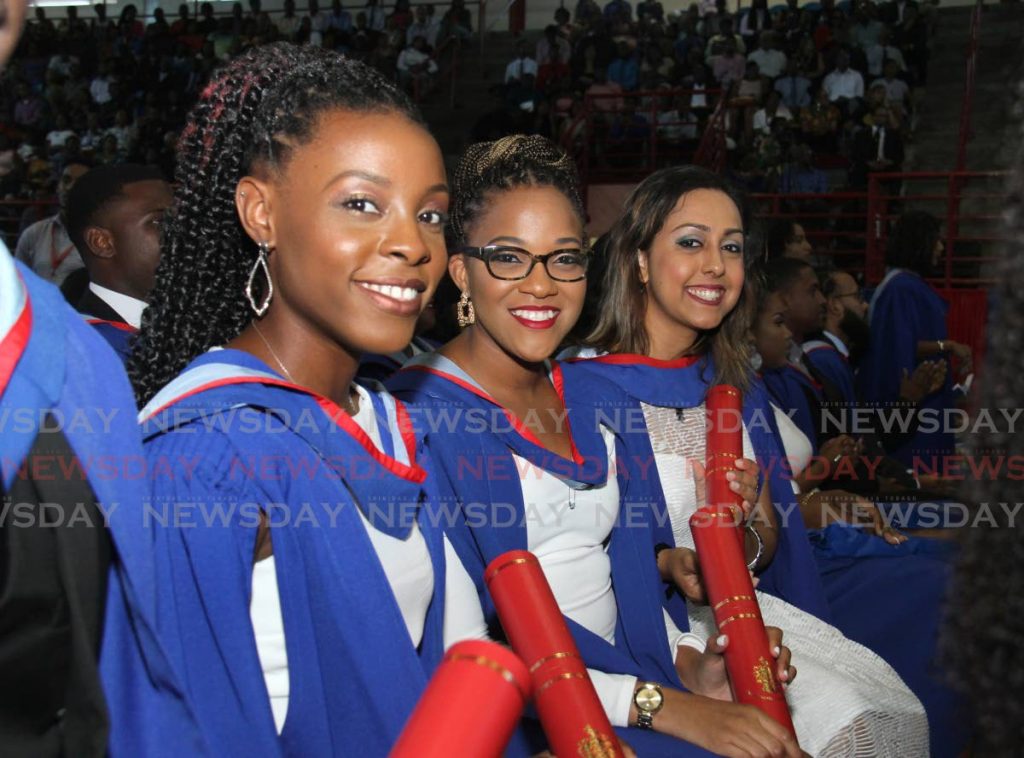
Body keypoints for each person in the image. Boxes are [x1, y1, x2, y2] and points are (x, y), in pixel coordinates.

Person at [127, 42, 489, 756]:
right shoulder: (206, 455)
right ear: (260, 212)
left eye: (431, 214)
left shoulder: (387, 420)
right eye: (362, 204)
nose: (411, 245)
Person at [389, 136, 800, 758]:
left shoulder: (594, 400)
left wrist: (693, 670)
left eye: (563, 259)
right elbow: (462, 647)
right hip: (526, 720)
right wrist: (660, 706)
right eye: (508, 257)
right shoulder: (417, 420)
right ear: (460, 271)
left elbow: (629, 583)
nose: (542, 285)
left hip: (634, 687)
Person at [567, 166, 930, 755]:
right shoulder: (580, 391)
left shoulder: (737, 390)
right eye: (691, 242)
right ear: (638, 260)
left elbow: (764, 546)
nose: (715, 264)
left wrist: (741, 526)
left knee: (876, 713)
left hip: (736, 612)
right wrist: (666, 564)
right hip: (638, 635)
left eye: (730, 247)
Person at [0, 1, 204, 754]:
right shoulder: (76, 349)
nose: (182, 236)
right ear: (99, 241)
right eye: (159, 224)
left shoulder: (92, 349)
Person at [857, 210, 969, 466]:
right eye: (936, 240)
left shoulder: (907, 285)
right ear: (920, 242)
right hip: (913, 415)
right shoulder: (901, 288)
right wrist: (947, 346)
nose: (940, 248)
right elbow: (898, 350)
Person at [64, 164, 172, 362]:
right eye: (159, 222)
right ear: (102, 242)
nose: (185, 233)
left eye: (184, 219)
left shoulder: (194, 322)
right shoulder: (76, 354)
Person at [14, 161, 89, 285]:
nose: (70, 187)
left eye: (80, 182)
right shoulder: (34, 232)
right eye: (66, 180)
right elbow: (17, 282)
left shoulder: (103, 239)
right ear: (57, 187)